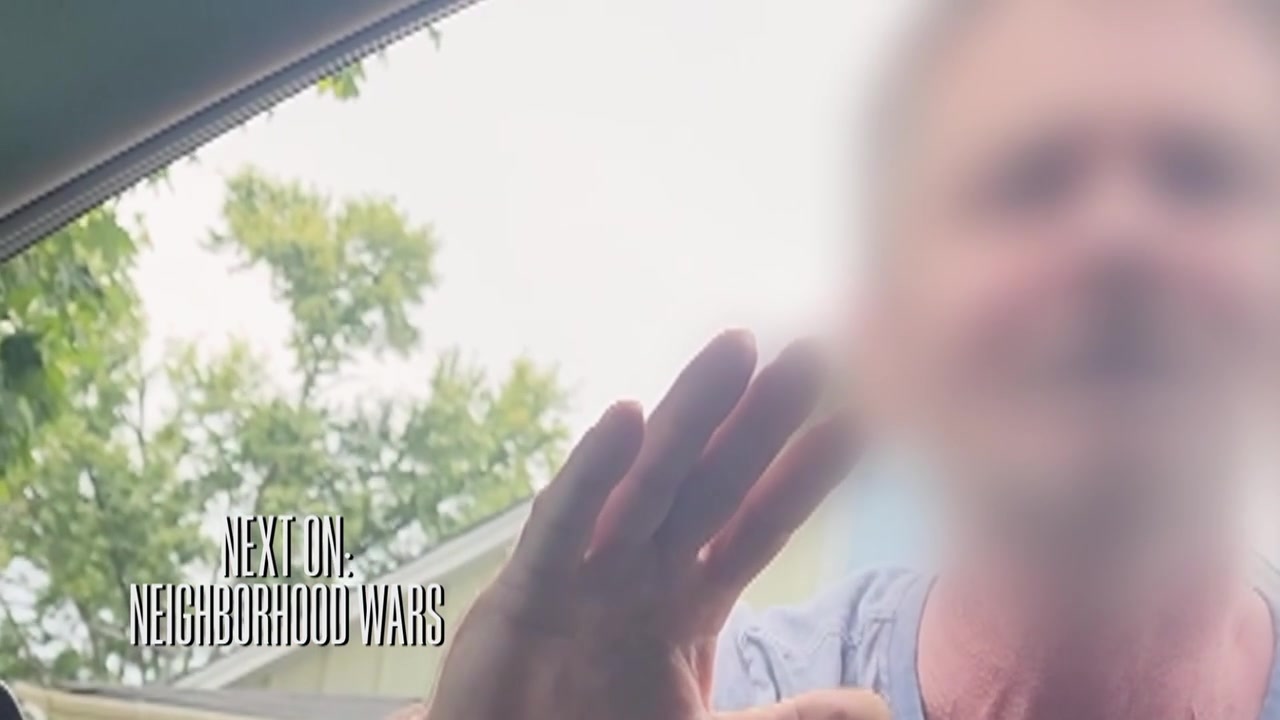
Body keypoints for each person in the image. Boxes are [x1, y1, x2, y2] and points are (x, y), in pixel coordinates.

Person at [417, 1, 1280, 718]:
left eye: (1203, 172)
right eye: (1031, 178)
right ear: (894, 327)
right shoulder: (681, 693)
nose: (1119, 236)